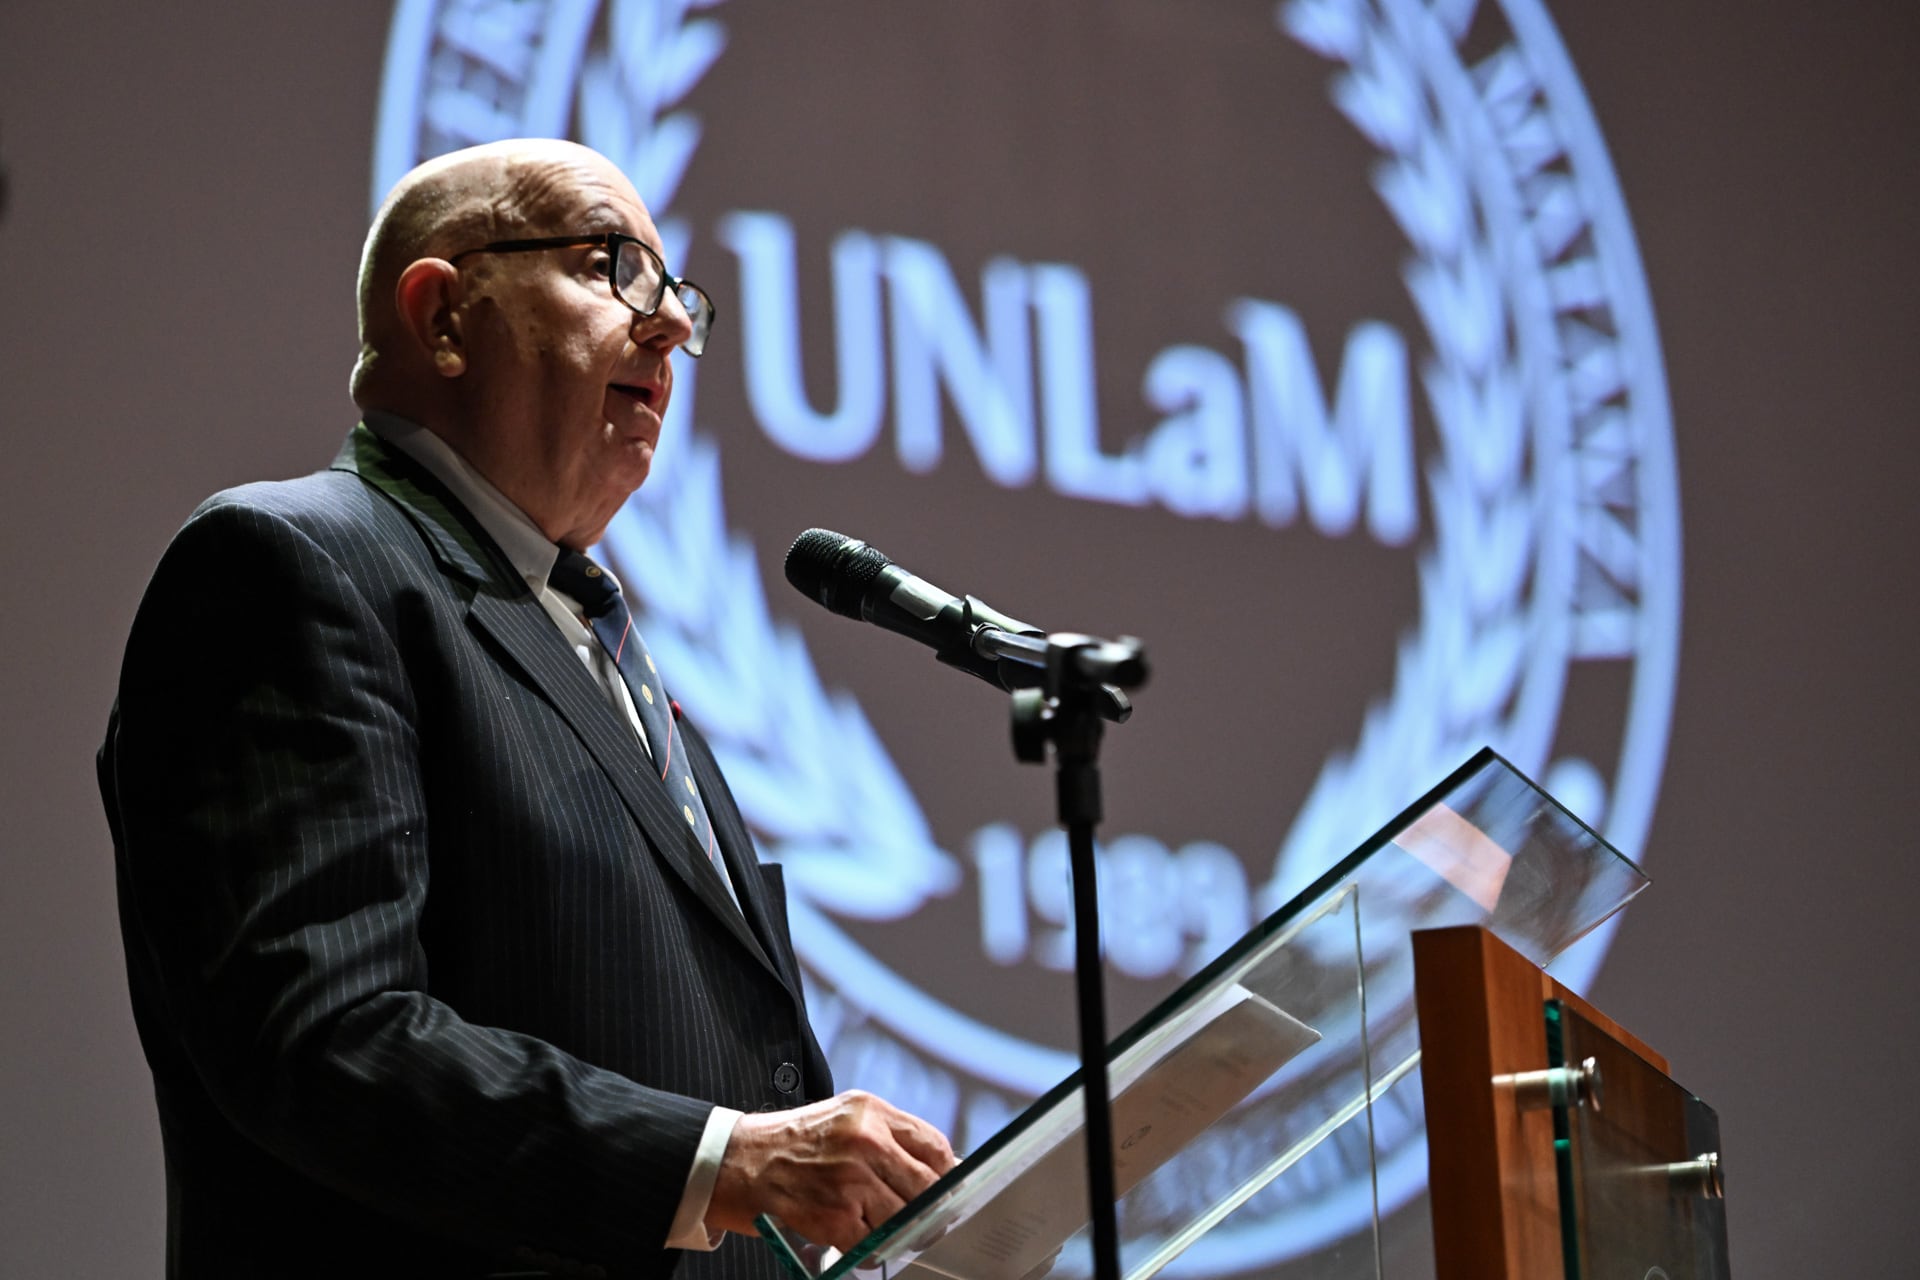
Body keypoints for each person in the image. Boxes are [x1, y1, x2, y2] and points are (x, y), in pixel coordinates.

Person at [99, 138, 955, 1280]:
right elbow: (324, 1036)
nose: (670, 326)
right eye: (612, 268)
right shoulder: (291, 565)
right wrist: (722, 1161)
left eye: (678, 294)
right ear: (442, 316)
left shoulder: (616, 661)